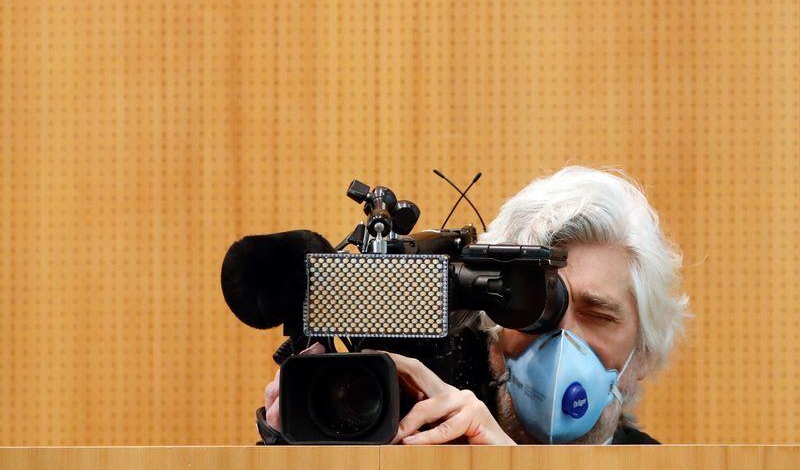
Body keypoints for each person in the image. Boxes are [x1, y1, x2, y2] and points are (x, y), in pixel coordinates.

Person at [262, 166, 689, 445]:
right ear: (493, 336)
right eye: (532, 307)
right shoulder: (416, 437)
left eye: (598, 315)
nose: (563, 341)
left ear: (643, 355)